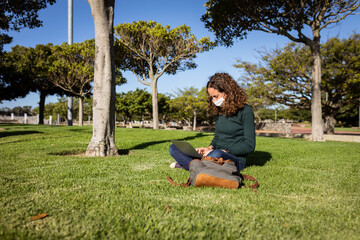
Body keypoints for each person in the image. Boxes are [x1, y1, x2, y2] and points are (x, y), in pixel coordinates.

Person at [169, 72, 256, 172]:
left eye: (216, 96)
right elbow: (217, 137)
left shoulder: (245, 111)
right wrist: (208, 148)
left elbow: (249, 145)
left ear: (227, 92)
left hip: (233, 158)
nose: (213, 100)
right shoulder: (219, 111)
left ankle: (191, 164)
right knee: (174, 148)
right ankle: (198, 164)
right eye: (211, 97)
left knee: (216, 155)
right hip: (214, 153)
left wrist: (224, 151)